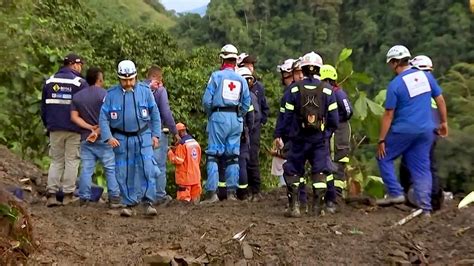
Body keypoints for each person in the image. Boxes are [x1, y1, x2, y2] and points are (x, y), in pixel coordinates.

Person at [377, 45, 448, 216]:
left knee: (383, 156)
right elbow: (440, 100)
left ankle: (395, 193)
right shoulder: (426, 77)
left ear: (395, 63)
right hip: (426, 131)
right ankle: (425, 208)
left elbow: (388, 114)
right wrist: (444, 122)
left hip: (404, 130)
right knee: (422, 168)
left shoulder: (395, 85)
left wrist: (381, 140)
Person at [277, 51, 339, 217]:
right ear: (319, 69)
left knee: (293, 172)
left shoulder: (294, 90)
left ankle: (295, 208)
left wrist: (285, 136)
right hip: (319, 140)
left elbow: (287, 117)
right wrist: (326, 134)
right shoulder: (327, 91)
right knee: (320, 172)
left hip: (298, 139)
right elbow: (334, 119)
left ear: (302, 69)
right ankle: (317, 208)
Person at [99, 60, 161, 217]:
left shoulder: (145, 91)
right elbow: (103, 118)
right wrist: (108, 137)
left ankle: (148, 202)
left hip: (143, 136)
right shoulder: (111, 95)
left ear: (136, 77)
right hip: (121, 139)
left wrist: (156, 134)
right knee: (124, 172)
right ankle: (129, 203)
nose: (128, 83)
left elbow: (155, 114)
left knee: (148, 169)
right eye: (124, 80)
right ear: (119, 78)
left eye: (131, 79)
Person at [201, 44, 251, 204]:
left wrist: (212, 115)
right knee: (233, 157)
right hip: (236, 119)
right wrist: (238, 116)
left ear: (222, 59)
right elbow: (246, 103)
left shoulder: (216, 76)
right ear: (235, 61)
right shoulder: (242, 79)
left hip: (218, 116)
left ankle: (212, 193)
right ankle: (231, 194)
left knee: (213, 155)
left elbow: (206, 101)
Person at [70, 67, 122, 208]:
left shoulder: (78, 96)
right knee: (110, 168)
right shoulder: (106, 95)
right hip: (104, 138)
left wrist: (89, 128)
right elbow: (111, 117)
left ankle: (84, 198)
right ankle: (114, 198)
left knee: (86, 168)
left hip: (86, 138)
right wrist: (98, 130)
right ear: (99, 79)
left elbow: (74, 117)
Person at [41, 53, 88, 207]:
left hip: (54, 127)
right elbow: (84, 108)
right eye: (80, 65)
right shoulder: (79, 83)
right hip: (74, 128)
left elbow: (44, 108)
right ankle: (68, 195)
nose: (80, 68)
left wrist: (48, 125)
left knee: (56, 161)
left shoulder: (49, 81)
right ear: (74, 64)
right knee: (72, 160)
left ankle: (52, 195)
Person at [399, 55, 444, 211]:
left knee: (408, 163)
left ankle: (410, 196)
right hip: (433, 129)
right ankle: (435, 199)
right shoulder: (433, 83)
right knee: (431, 164)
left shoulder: (416, 84)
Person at [144, 66, 179, 206]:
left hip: (141, 132)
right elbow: (165, 111)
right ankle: (159, 195)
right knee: (159, 165)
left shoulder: (139, 89)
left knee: (144, 163)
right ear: (159, 78)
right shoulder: (160, 90)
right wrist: (174, 131)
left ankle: (143, 195)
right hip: (157, 132)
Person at [237, 53, 270, 201]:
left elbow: (264, 108)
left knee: (252, 159)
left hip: (254, 129)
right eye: (247, 64)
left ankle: (255, 190)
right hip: (241, 128)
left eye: (251, 64)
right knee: (241, 159)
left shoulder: (258, 87)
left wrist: (258, 123)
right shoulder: (237, 86)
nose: (250, 67)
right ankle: (243, 190)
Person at [319, 65, 353, 205]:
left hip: (339, 130)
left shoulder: (337, 93)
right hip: (331, 129)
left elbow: (348, 111)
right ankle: (332, 192)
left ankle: (336, 194)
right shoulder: (327, 93)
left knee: (338, 160)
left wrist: (335, 119)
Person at [167, 123, 202, 203]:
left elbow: (178, 160)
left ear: (179, 133)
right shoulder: (195, 143)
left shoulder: (182, 145)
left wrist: (169, 153)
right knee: (196, 205)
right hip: (196, 178)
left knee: (183, 204)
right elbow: (197, 159)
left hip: (185, 180)